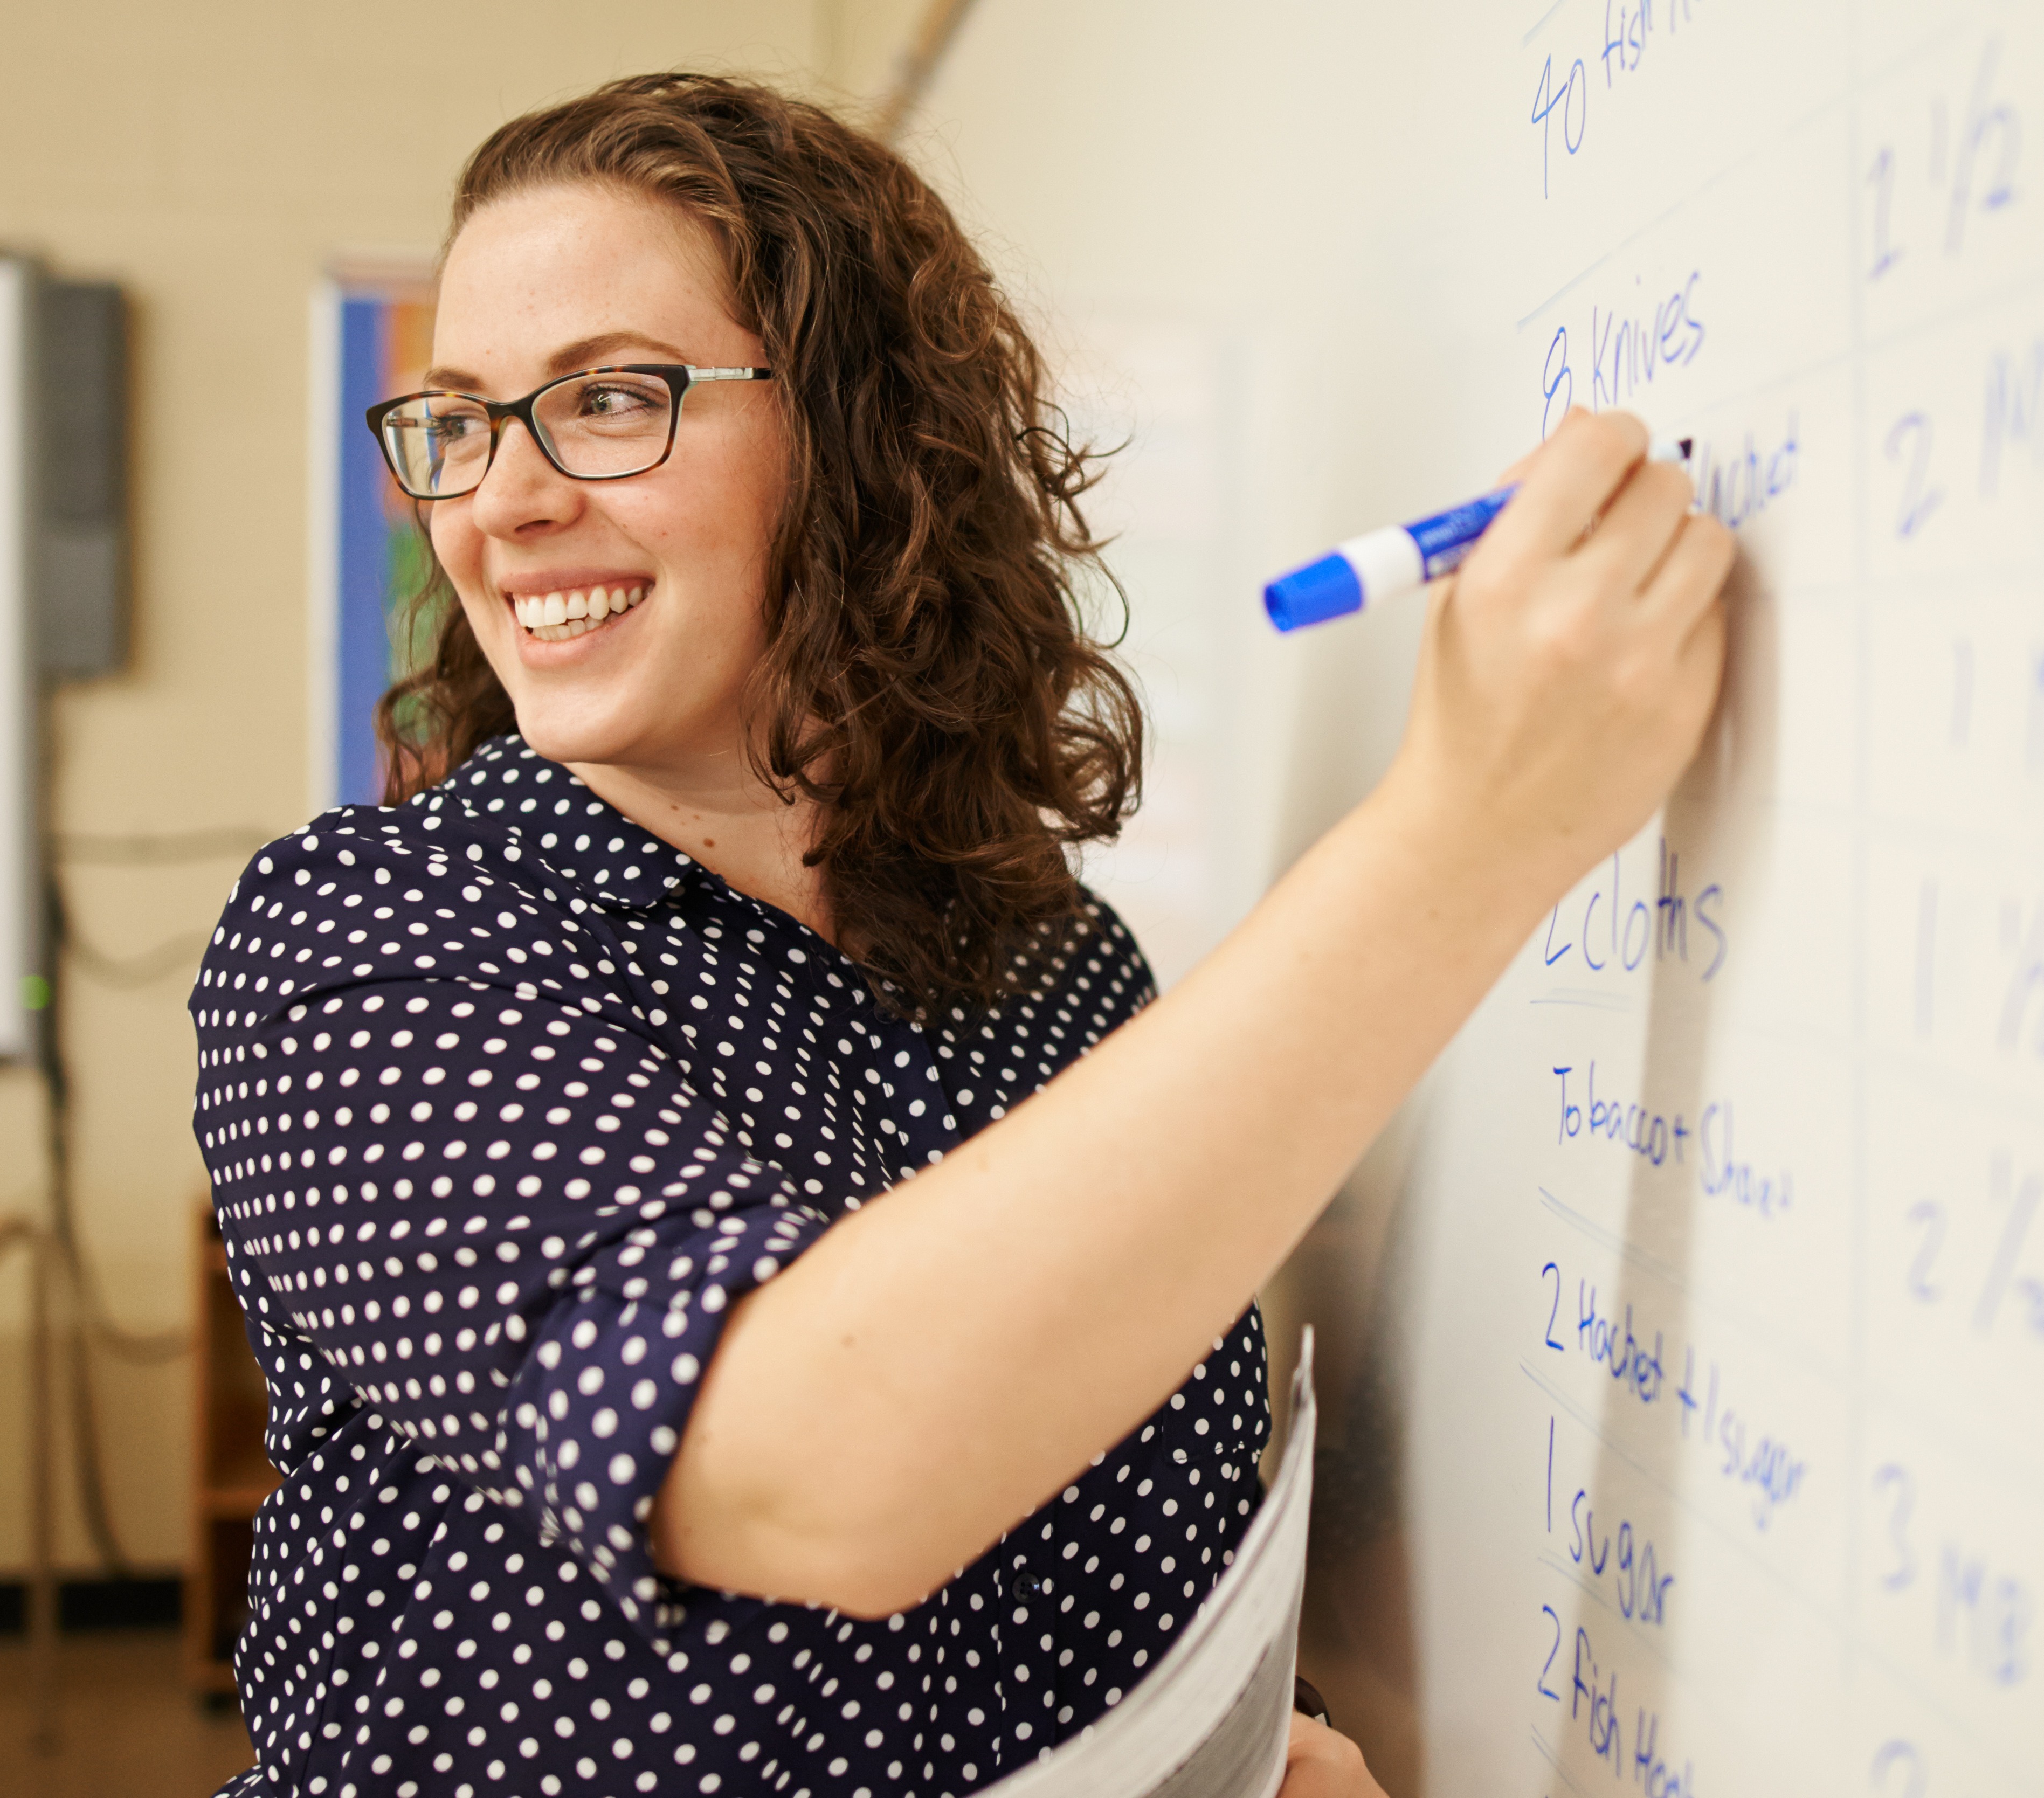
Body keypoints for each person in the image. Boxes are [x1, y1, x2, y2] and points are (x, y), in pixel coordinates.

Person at [187, 72, 1729, 1798]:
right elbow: (820, 1468)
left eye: (609, 400)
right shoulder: (364, 948)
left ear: (856, 437)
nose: (500, 502)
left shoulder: (1045, 958)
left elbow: (1096, 1536)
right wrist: (1481, 822)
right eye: (459, 423)